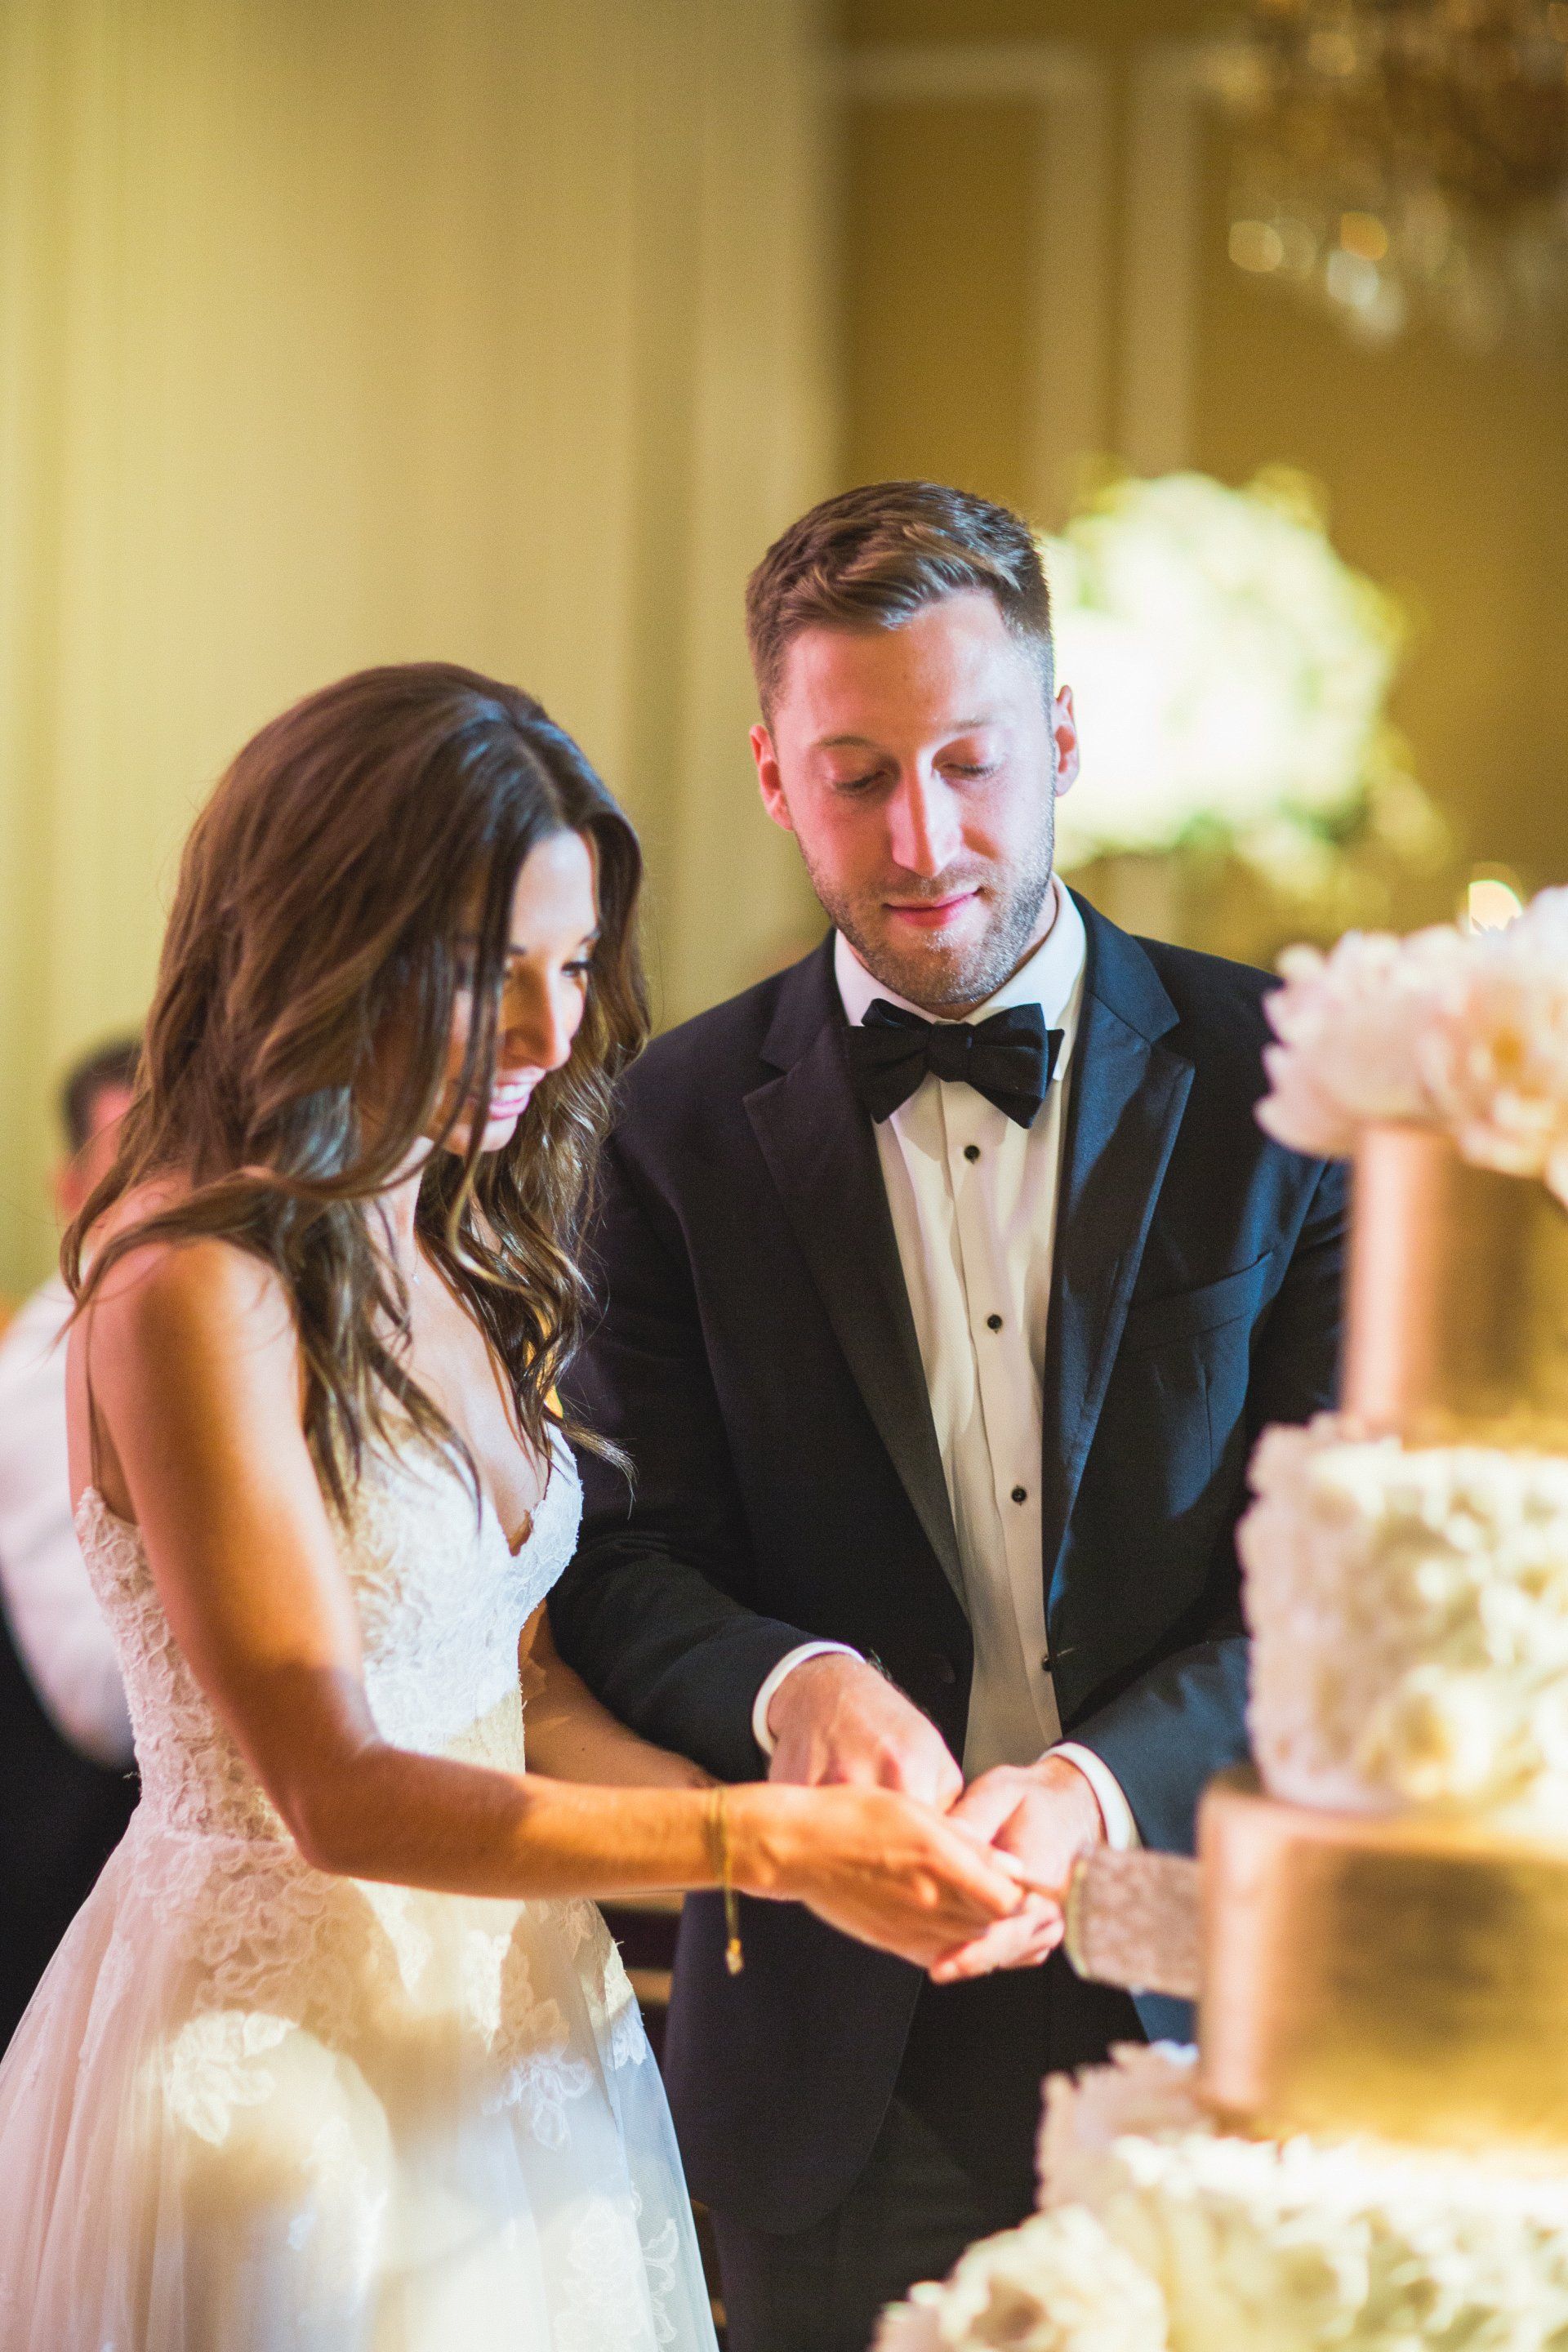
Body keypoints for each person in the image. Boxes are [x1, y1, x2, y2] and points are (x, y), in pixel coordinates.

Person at [0, 663, 1040, 2352]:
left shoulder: (440, 1243)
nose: (557, 1041)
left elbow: (521, 1690)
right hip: (279, 2092)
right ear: (326, 940)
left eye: (570, 971)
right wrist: (752, 1845)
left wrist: (792, 1832)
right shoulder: (191, 1285)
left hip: (516, 2036)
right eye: (492, 977)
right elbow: (334, 1792)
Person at [549, 481, 1348, 2352]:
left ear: (1061, 739)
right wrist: (788, 1685)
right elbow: (625, 1554)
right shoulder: (663, 1122)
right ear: (770, 771)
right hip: (832, 2051)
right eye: (857, 773)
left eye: (973, 763)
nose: (925, 840)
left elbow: (1335, 1569)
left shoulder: (1286, 1077)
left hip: (1208, 2001)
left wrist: (1088, 1788)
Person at [0, 1039, 140, 2049]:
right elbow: (99, 1699)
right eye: (129, 1156)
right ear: (68, 1187)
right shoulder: (51, 1359)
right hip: (80, 1886)